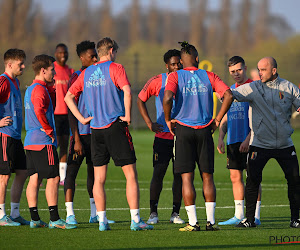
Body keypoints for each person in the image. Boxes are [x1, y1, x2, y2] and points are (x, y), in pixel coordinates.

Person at [65, 37, 153, 231]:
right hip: (114, 125)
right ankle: (135, 220)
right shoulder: (116, 68)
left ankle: (102, 221)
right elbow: (127, 91)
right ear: (111, 50)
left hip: (95, 130)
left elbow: (68, 96)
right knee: (130, 175)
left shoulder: (87, 73)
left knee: (99, 178)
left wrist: (81, 119)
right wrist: (128, 116)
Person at [163, 41, 233, 231]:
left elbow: (168, 98)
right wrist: (217, 120)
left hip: (183, 130)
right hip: (205, 130)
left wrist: (168, 119)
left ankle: (193, 223)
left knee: (187, 178)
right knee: (207, 177)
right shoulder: (209, 75)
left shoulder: (175, 76)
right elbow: (228, 95)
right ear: (196, 58)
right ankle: (211, 222)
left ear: (182, 61)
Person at [232, 57, 300, 228]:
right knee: (252, 181)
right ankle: (249, 220)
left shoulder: (289, 87)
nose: (259, 72)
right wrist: (218, 91)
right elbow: (231, 95)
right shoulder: (254, 87)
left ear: (274, 71)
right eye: (258, 69)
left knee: (294, 180)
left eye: (263, 69)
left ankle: (295, 219)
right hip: (260, 144)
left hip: (285, 144)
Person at [64, 40, 114, 225]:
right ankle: (70, 214)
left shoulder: (97, 74)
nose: (95, 58)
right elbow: (70, 109)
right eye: (91, 56)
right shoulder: (76, 76)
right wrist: (76, 137)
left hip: (96, 133)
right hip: (80, 135)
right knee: (72, 173)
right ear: (81, 58)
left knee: (94, 174)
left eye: (96, 55)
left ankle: (95, 214)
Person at [24, 54, 76, 229]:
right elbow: (39, 110)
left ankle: (35, 219)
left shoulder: (31, 88)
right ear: (43, 70)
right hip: (42, 141)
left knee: (34, 179)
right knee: (53, 178)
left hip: (30, 141)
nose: (54, 73)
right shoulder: (39, 89)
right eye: (52, 70)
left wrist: (52, 90)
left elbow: (46, 107)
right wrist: (48, 130)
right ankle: (55, 219)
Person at [137, 49, 184, 225]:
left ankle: (175, 213)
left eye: (179, 63)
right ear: (167, 65)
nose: (177, 66)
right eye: (173, 64)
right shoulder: (158, 81)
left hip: (182, 137)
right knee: (158, 173)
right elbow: (140, 99)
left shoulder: (187, 79)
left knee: (179, 175)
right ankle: (153, 213)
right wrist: (149, 123)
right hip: (163, 137)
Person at [217, 56, 262, 226]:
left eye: (239, 70)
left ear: (245, 68)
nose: (236, 74)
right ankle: (238, 214)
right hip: (233, 140)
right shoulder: (229, 91)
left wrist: (248, 138)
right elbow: (226, 116)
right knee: (235, 177)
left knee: (253, 178)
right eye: (232, 72)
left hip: (251, 141)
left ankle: (255, 216)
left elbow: (260, 118)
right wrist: (221, 137)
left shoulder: (254, 88)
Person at [0, 49, 29, 226]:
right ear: (10, 64)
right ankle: (1, 216)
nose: (24, 66)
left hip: (16, 136)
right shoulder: (3, 81)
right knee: (3, 176)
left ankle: (15, 213)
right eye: (20, 63)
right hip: (5, 135)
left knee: (22, 172)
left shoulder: (15, 82)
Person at [53, 43, 74, 185]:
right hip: (54, 114)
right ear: (56, 54)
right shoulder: (51, 69)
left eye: (65, 53)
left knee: (65, 144)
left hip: (67, 114)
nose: (63, 55)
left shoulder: (70, 71)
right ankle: (45, 173)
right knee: (54, 144)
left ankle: (62, 177)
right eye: (60, 52)